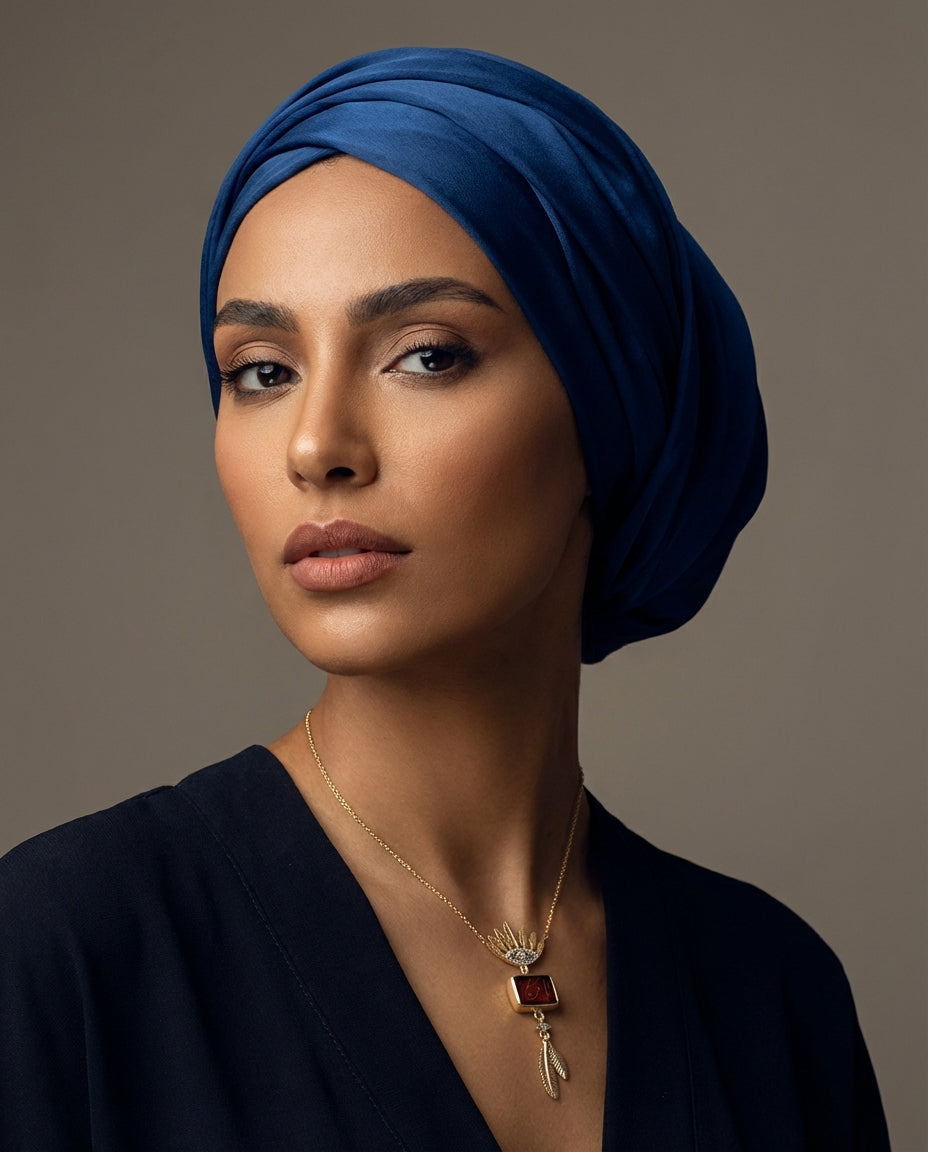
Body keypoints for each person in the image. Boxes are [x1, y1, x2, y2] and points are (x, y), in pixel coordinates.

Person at [0, 47, 889, 1152]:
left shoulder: (772, 996)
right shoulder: (63, 951)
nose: (316, 446)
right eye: (262, 371)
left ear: (609, 413)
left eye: (426, 356)